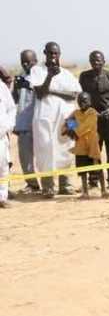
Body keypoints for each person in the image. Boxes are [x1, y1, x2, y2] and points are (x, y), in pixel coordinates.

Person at [30, 42, 81, 197]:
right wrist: (50, 76)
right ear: (44, 53)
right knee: (45, 150)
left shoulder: (66, 74)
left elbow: (73, 95)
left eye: (56, 53)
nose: (53, 56)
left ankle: (65, 185)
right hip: (44, 120)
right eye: (50, 53)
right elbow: (40, 93)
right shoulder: (37, 70)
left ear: (59, 54)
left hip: (67, 120)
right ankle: (48, 187)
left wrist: (52, 91)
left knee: (67, 148)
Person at [78, 51, 109, 190]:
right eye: (93, 60)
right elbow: (82, 97)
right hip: (93, 119)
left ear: (103, 61)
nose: (95, 63)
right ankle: (93, 180)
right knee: (94, 150)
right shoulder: (84, 77)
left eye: (98, 60)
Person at [66, 93, 106, 199]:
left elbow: (88, 125)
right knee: (82, 170)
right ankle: (85, 192)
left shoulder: (92, 112)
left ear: (90, 101)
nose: (82, 103)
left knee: (98, 167)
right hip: (80, 145)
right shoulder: (76, 113)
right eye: (79, 101)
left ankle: (104, 190)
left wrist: (75, 131)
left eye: (85, 100)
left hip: (92, 144)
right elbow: (68, 121)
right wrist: (70, 128)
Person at [13, 50, 40, 193]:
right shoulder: (20, 77)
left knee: (45, 156)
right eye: (22, 61)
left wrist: (29, 85)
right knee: (25, 156)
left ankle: (49, 184)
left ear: (36, 61)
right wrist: (16, 88)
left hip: (40, 123)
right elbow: (14, 101)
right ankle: (32, 184)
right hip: (23, 124)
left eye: (28, 61)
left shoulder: (42, 76)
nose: (25, 64)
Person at [0, 73, 16, 208]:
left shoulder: (1, 87)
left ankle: (2, 198)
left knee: (3, 167)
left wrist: (8, 125)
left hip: (1, 136)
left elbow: (11, 108)